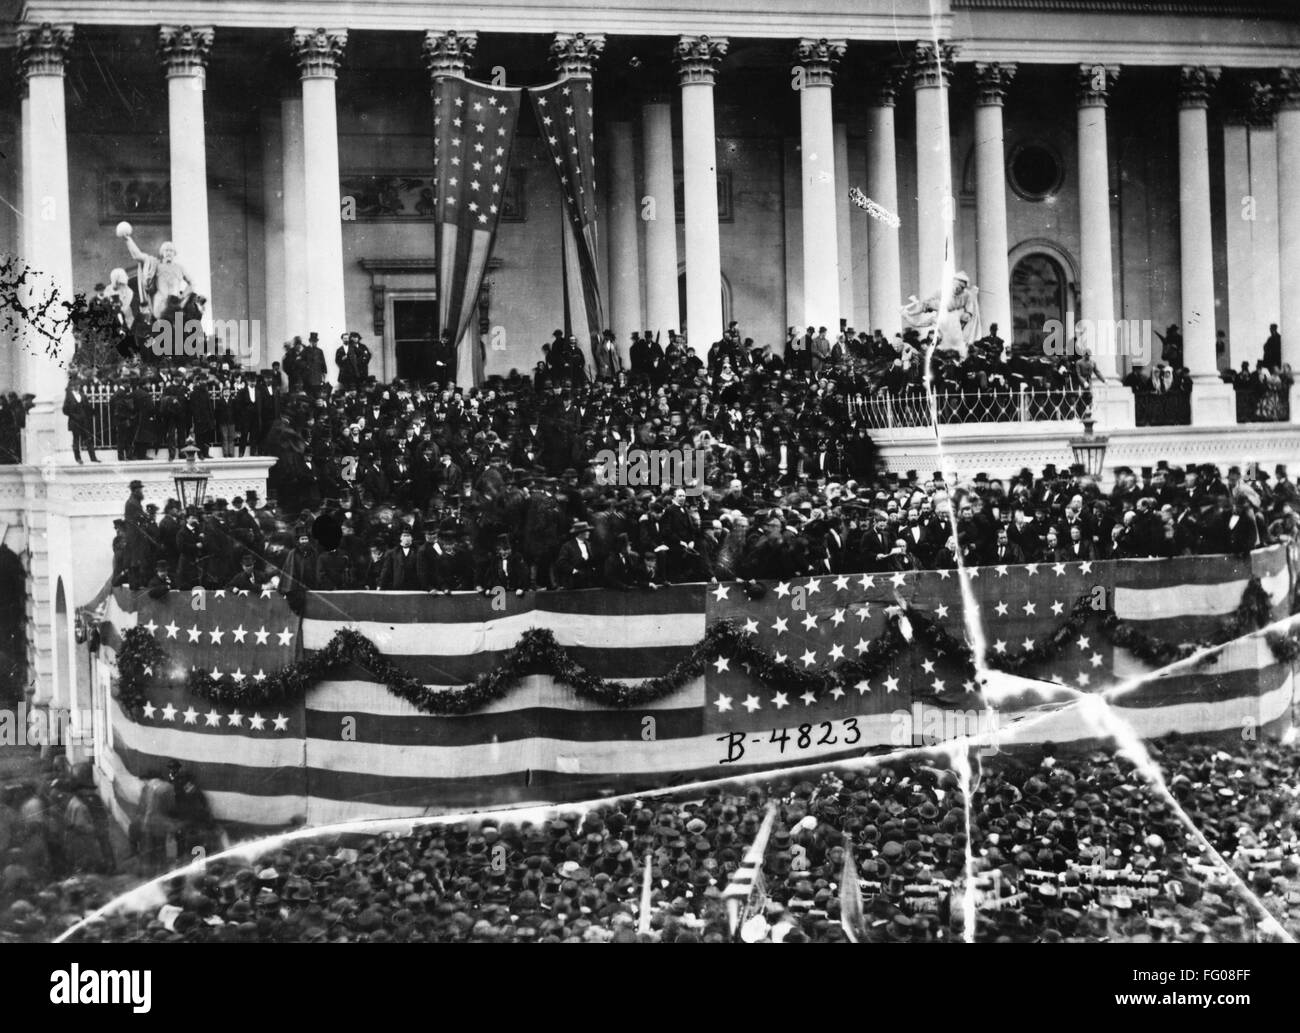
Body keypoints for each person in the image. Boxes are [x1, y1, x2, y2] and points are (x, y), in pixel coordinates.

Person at [62, 376, 98, 464]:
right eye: (76, 384)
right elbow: (65, 410)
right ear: (72, 386)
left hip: (84, 421)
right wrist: (73, 415)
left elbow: (88, 407)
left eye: (79, 384)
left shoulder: (82, 395)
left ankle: (93, 458)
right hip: (75, 422)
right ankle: (78, 458)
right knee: (76, 440)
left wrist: (93, 412)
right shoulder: (69, 397)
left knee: (88, 439)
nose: (78, 386)